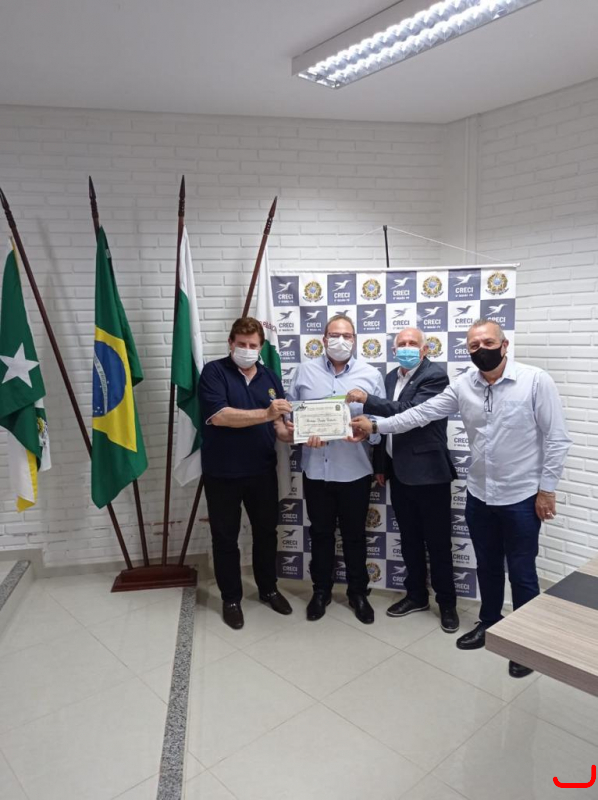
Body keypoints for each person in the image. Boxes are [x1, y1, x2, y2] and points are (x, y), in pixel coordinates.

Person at [350, 319, 571, 678]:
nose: (481, 349)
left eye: (488, 342)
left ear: (504, 345)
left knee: (522, 571)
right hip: (479, 493)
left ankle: (526, 644)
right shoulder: (464, 385)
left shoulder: (535, 381)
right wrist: (376, 426)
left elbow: (557, 438)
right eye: (473, 345)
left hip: (521, 495)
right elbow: (420, 414)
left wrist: (547, 489)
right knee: (487, 566)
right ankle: (489, 622)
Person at [346, 328, 459, 633]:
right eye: (401, 344)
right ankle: (416, 595)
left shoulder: (435, 376)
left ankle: (447, 604)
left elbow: (410, 413)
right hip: (399, 471)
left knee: (437, 542)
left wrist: (368, 400)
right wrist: (381, 465)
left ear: (425, 349)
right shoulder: (390, 377)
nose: (407, 348)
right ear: (394, 350)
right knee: (409, 539)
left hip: (429, 473)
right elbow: (386, 427)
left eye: (413, 343)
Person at [287, 314, 385, 624]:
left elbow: (380, 423)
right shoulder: (304, 371)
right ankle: (321, 592)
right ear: (323, 338)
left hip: (354, 471)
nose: (340, 340)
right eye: (334, 334)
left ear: (355, 340)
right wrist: (301, 434)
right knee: (320, 534)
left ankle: (358, 593)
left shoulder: (370, 375)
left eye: (347, 335)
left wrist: (367, 432)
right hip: (316, 471)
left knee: (355, 536)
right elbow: (291, 418)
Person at [198, 317, 294, 630]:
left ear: (261, 346)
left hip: (261, 470)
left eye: (253, 345)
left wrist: (295, 434)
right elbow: (220, 416)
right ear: (231, 343)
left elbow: (279, 426)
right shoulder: (214, 372)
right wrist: (266, 414)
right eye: (242, 344)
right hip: (222, 472)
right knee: (225, 538)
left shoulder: (270, 376)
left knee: (266, 533)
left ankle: (268, 589)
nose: (247, 350)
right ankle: (231, 598)